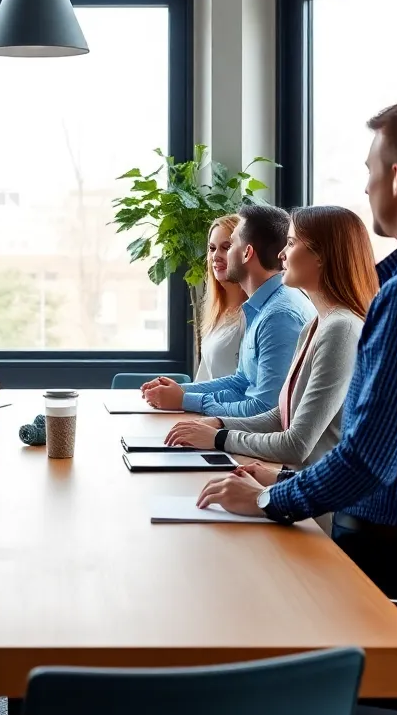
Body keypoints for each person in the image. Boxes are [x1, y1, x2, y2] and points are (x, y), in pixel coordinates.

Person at [198, 100, 397, 715]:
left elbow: (368, 461)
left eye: (369, 167)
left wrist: (268, 498)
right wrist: (283, 480)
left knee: (230, 603)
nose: (366, 182)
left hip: (395, 561)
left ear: (395, 177)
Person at [166, 206, 379, 530]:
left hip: (318, 511)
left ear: (320, 257)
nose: (281, 254)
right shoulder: (315, 326)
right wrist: (219, 425)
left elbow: (296, 443)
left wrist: (220, 438)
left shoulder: (341, 329)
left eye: (291, 244)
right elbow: (281, 415)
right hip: (294, 487)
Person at [142, 204, 314, 417]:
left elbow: (266, 410)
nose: (216, 257)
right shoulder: (261, 307)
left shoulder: (279, 316)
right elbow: (241, 382)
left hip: (263, 445)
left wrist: (185, 400)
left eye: (230, 245)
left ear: (246, 253)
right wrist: (178, 392)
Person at [194, 215, 246, 382]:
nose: (216, 256)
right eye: (212, 248)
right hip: (205, 406)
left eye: (226, 247)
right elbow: (204, 378)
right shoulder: (215, 310)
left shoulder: (252, 312)